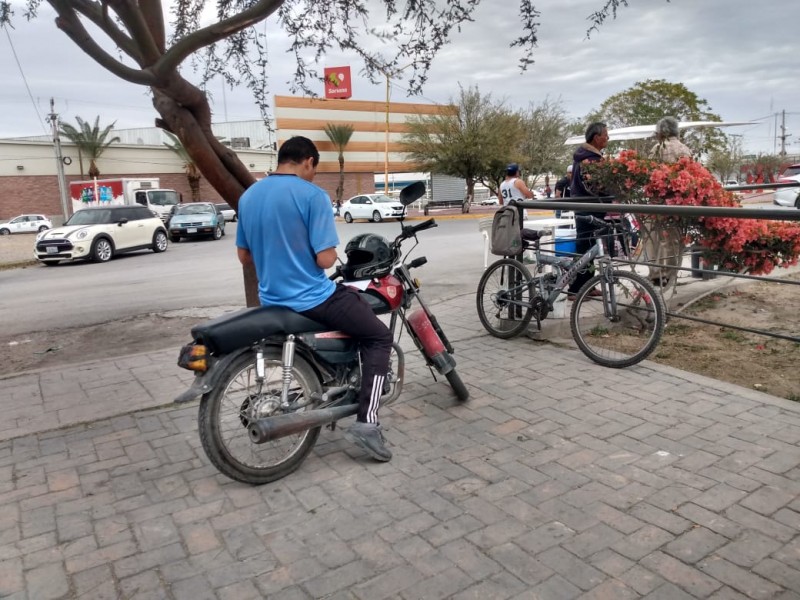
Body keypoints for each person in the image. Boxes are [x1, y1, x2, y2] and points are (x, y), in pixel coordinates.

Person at [235, 136, 394, 462]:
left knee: (352, 313)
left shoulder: (249, 196)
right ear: (308, 161)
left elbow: (244, 256)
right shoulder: (312, 196)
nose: (313, 175)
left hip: (272, 299)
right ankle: (367, 424)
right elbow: (325, 260)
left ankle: (334, 385)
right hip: (312, 298)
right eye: (313, 169)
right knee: (379, 336)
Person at [645, 116, 693, 286]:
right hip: (676, 202)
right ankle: (670, 274)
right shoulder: (684, 150)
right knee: (672, 238)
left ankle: (656, 273)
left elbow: (648, 174)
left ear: (662, 132)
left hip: (656, 200)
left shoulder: (656, 149)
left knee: (654, 238)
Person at [568, 122, 609, 297]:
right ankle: (576, 289)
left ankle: (588, 285)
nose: (608, 138)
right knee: (585, 246)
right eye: (605, 135)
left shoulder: (587, 157)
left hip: (587, 207)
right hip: (588, 208)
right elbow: (594, 186)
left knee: (590, 246)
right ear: (596, 137)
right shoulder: (589, 160)